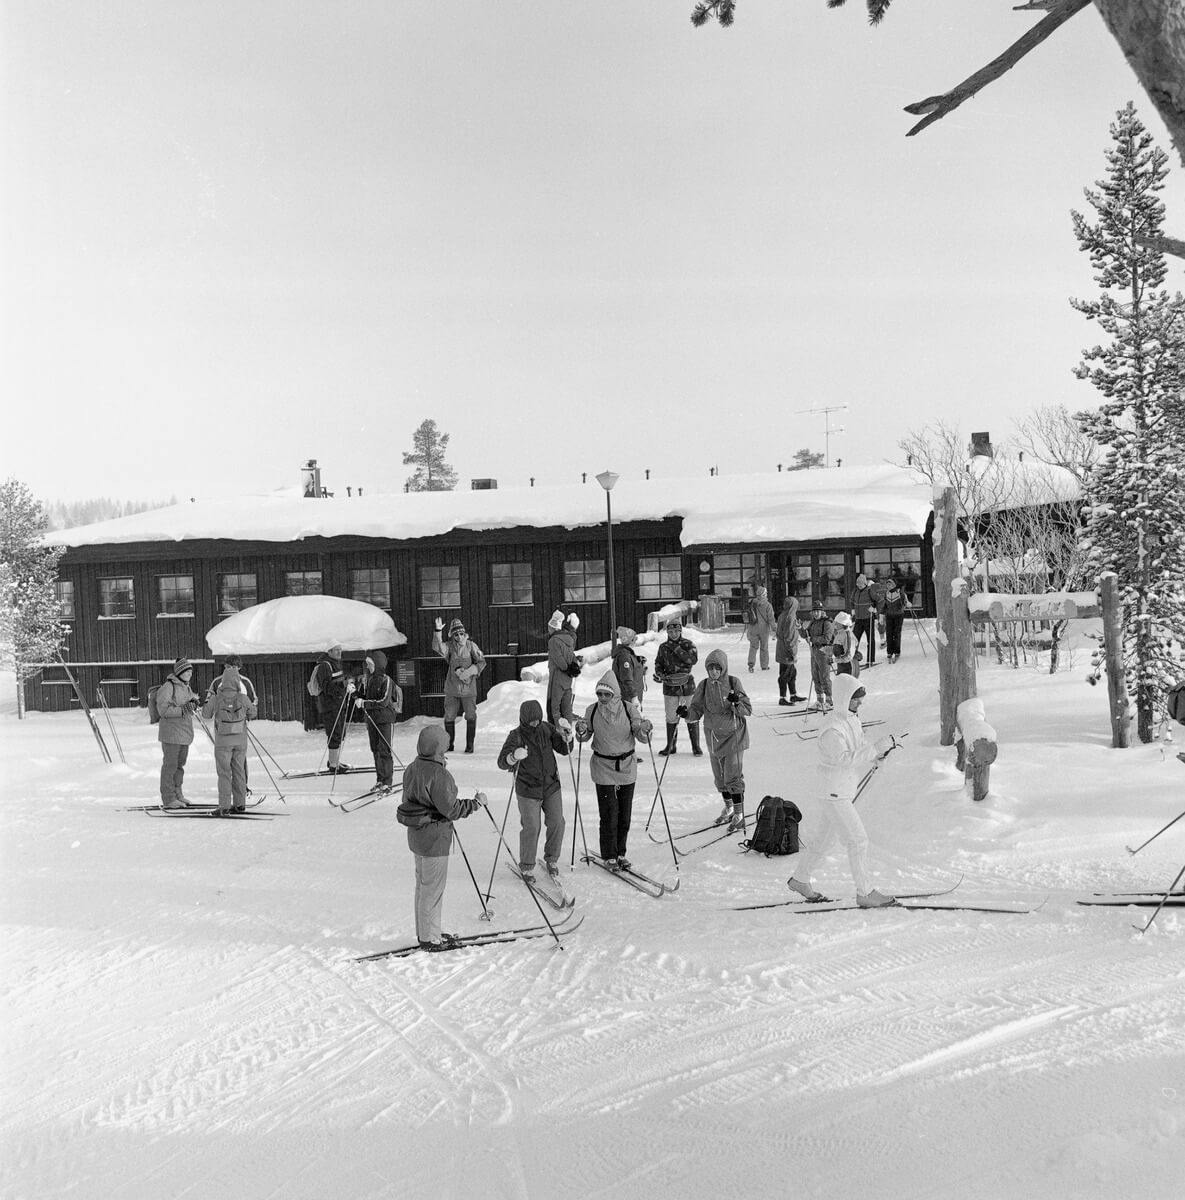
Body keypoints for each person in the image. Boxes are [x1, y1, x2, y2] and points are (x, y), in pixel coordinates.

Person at [786, 674, 897, 908]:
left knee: (822, 842)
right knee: (858, 840)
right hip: (833, 792)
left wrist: (877, 756)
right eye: (855, 699)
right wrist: (876, 748)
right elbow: (843, 759)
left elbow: (858, 750)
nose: (859, 703)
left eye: (861, 699)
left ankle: (800, 879)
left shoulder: (851, 719)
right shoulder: (832, 729)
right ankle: (865, 892)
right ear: (843, 698)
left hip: (841, 790)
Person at [396, 726, 488, 951]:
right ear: (438, 747)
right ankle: (430, 939)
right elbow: (451, 809)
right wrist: (475, 803)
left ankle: (427, 932)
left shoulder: (412, 768)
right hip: (435, 839)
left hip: (417, 836)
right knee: (432, 891)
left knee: (423, 888)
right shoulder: (439, 774)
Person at [575, 671, 653, 869]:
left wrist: (644, 728)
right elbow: (585, 736)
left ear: (615, 694)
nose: (602, 698)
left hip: (626, 766)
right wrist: (581, 731)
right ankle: (609, 855)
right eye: (599, 694)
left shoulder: (629, 709)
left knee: (624, 815)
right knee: (609, 814)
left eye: (606, 694)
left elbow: (641, 735)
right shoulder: (592, 710)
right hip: (602, 766)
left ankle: (620, 853)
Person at [497, 699, 571, 883]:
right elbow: (501, 762)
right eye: (532, 721)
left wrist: (567, 737)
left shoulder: (546, 728)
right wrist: (513, 756)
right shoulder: (516, 736)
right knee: (532, 827)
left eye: (538, 719)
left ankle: (551, 859)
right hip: (528, 789)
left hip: (551, 785)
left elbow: (564, 749)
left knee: (557, 822)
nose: (535, 724)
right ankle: (527, 866)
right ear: (524, 720)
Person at [681, 649, 752, 832]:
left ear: (723, 668)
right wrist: (686, 714)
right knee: (720, 778)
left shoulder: (733, 682)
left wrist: (736, 702)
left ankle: (739, 813)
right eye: (711, 668)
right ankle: (728, 809)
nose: (714, 672)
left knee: (732, 776)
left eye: (717, 668)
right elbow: (696, 710)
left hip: (734, 737)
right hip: (713, 737)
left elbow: (747, 709)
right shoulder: (703, 686)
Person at [202, 655, 259, 814]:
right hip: (240, 739)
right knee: (239, 771)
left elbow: (206, 714)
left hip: (222, 742)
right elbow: (253, 712)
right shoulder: (242, 697)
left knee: (224, 773)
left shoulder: (216, 697)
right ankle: (240, 804)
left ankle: (225, 806)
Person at [432, 617, 486, 753]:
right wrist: (438, 631)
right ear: (452, 635)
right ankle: (449, 745)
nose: (459, 636)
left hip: (469, 690)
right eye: (456, 634)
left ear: (464, 633)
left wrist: (470, 671)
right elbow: (437, 647)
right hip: (452, 689)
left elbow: (481, 662)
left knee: (471, 716)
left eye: (461, 633)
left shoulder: (471, 646)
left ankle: (470, 745)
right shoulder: (449, 647)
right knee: (449, 716)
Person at [354, 650, 402, 793]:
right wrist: (354, 693)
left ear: (378, 664)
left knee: (384, 750)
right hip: (372, 720)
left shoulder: (387, 680)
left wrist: (364, 703)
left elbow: (383, 701)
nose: (368, 667)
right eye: (367, 664)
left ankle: (388, 782)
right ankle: (380, 780)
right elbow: (362, 697)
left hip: (385, 720)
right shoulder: (368, 680)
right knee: (375, 749)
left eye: (370, 664)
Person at [157, 657, 200, 809]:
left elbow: (185, 706)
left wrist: (193, 703)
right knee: (170, 766)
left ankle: (178, 795)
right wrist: (184, 709)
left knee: (179, 766)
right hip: (171, 733)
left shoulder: (185, 687)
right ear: (179, 672)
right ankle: (168, 798)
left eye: (190, 671)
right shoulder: (168, 687)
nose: (189, 674)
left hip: (183, 733)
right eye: (186, 671)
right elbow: (163, 710)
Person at [654, 617, 700, 756]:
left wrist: (677, 648)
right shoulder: (663, 647)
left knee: (690, 714)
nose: (673, 634)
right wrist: (659, 674)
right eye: (671, 631)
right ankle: (671, 745)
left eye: (676, 631)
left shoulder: (688, 644)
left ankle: (695, 745)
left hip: (686, 684)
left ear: (681, 630)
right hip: (670, 685)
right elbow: (658, 663)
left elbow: (692, 660)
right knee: (671, 716)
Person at [312, 645, 353, 773]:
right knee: (335, 734)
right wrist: (343, 686)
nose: (339, 652)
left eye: (340, 649)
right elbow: (326, 686)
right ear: (329, 651)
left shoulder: (337, 663)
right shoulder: (325, 666)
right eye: (336, 650)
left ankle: (334, 761)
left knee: (340, 733)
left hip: (338, 704)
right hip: (330, 706)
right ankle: (334, 765)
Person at [545, 609, 581, 726]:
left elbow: (558, 658)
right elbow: (571, 656)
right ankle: (568, 736)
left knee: (554, 709)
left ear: (553, 628)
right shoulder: (569, 640)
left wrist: (566, 668)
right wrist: (574, 667)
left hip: (557, 678)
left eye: (549, 627)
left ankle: (556, 732)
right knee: (566, 709)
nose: (548, 630)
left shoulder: (553, 641)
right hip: (567, 680)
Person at [775, 596, 806, 705]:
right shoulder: (790, 617)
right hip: (787, 651)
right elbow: (788, 637)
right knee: (785, 675)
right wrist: (792, 652)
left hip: (782, 649)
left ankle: (793, 695)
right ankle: (782, 697)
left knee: (792, 673)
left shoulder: (783, 615)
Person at [806, 602, 836, 710]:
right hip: (814, 651)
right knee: (815, 676)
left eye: (817, 611)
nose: (815, 613)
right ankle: (819, 700)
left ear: (822, 611)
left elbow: (827, 638)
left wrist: (813, 639)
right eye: (814, 611)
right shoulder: (813, 623)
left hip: (824, 651)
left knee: (824, 676)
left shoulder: (827, 623)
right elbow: (807, 634)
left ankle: (829, 701)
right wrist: (800, 629)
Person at [848, 573, 881, 666]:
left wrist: (875, 609)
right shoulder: (855, 591)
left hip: (868, 619)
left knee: (870, 640)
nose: (859, 586)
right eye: (857, 584)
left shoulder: (869, 591)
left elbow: (880, 600)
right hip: (858, 619)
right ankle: (853, 658)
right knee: (854, 640)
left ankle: (870, 660)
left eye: (861, 584)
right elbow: (851, 601)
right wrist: (853, 609)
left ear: (865, 584)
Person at [743, 585, 776, 672]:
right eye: (766, 593)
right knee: (764, 648)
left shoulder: (752, 603)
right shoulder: (768, 605)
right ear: (764, 594)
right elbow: (771, 619)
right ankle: (764, 665)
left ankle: (751, 664)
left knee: (753, 647)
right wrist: (775, 629)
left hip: (753, 628)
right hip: (764, 629)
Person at [611, 626, 646, 707]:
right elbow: (626, 678)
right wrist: (633, 697)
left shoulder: (627, 654)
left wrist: (641, 666)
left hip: (630, 697)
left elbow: (632, 671)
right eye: (635, 639)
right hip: (628, 699)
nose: (636, 641)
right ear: (632, 640)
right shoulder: (624, 656)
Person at [881, 574, 908, 664]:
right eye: (887, 584)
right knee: (889, 633)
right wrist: (881, 613)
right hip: (889, 615)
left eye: (890, 584)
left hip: (898, 615)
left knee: (896, 633)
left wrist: (903, 606)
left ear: (894, 585)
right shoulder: (886, 593)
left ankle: (897, 651)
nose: (888, 586)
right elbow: (885, 605)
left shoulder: (899, 592)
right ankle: (889, 652)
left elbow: (904, 602)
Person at [832, 611, 860, 678]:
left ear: (843, 623)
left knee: (848, 687)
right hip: (841, 666)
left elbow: (848, 656)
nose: (835, 624)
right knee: (841, 687)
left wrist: (834, 660)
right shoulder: (839, 634)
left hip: (849, 667)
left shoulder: (848, 635)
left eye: (837, 622)